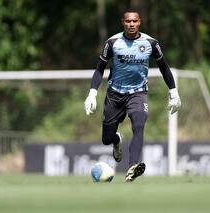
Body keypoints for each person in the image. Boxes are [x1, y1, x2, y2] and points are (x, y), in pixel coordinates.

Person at [84, 10, 181, 182]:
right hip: (114, 94)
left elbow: (164, 67)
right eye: (128, 21)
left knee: (139, 125)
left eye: (134, 21)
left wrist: (173, 91)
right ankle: (116, 140)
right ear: (123, 22)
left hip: (138, 93)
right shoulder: (112, 42)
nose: (131, 24)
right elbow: (100, 68)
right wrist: (92, 94)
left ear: (139, 22)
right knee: (106, 139)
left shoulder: (150, 43)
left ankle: (132, 167)